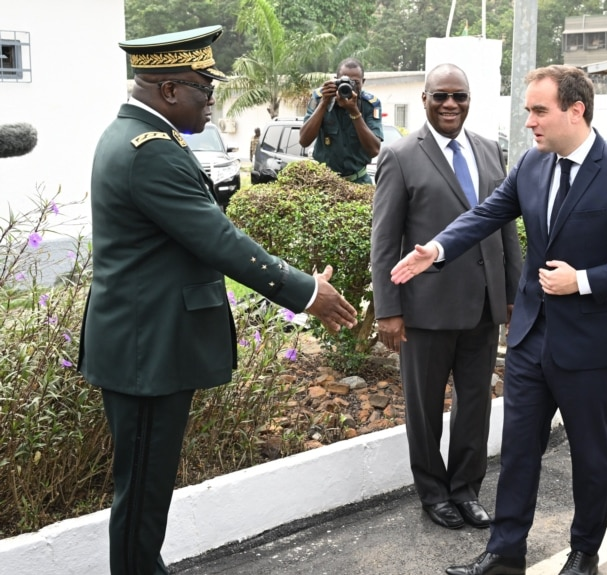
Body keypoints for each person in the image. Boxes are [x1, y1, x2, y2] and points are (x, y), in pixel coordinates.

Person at [79, 26, 358, 575]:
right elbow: (218, 239)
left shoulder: (145, 138)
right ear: (167, 91)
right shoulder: (148, 152)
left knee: (145, 492)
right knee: (140, 497)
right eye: (203, 90)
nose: (211, 101)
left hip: (146, 344)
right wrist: (307, 292)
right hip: (147, 352)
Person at [391, 65, 607, 575]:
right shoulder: (532, 165)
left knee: (589, 455)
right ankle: (505, 553)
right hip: (530, 338)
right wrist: (436, 249)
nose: (530, 122)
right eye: (528, 111)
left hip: (588, 344)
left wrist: (582, 279)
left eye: (539, 111)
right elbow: (486, 213)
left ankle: (584, 553)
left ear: (576, 110)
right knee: (518, 450)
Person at [370, 63, 523, 531]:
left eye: (459, 96)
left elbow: (505, 228)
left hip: (482, 307)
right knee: (425, 408)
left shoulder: (489, 149)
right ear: (425, 99)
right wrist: (388, 310)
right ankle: (433, 493)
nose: (451, 104)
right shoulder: (399, 155)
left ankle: (466, 490)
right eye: (441, 96)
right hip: (425, 310)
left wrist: (513, 295)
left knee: (474, 405)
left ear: (470, 99)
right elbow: (384, 240)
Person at [298, 58, 383, 183]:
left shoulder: (370, 104)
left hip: (358, 180)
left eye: (355, 83)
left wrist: (354, 112)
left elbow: (374, 150)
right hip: (324, 180)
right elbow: (304, 141)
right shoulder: (321, 97)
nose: (349, 87)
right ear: (335, 80)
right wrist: (324, 103)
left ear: (363, 82)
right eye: (344, 81)